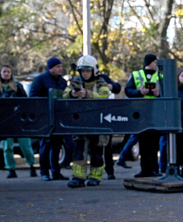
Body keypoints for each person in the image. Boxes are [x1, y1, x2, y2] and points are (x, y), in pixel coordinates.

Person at [62, 55, 111, 188]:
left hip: (99, 122)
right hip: (81, 122)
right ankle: (78, 177)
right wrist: (72, 94)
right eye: (83, 71)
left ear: (93, 70)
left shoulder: (101, 81)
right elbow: (64, 95)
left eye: (88, 71)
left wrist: (87, 95)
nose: (85, 73)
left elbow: (105, 95)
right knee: (79, 150)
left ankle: (95, 177)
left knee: (97, 152)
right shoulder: (76, 82)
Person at [29, 56, 69, 181]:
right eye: (58, 67)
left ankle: (56, 171)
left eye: (61, 66)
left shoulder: (62, 81)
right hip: (44, 118)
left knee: (57, 146)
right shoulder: (40, 80)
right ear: (51, 68)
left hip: (58, 118)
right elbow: (33, 97)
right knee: (45, 146)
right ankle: (44, 172)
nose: (60, 69)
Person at [125, 53, 162, 177]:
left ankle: (154, 169)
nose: (157, 65)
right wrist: (140, 92)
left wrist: (159, 94)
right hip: (141, 114)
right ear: (149, 63)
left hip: (155, 113)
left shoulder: (160, 75)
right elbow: (128, 90)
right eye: (155, 62)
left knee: (154, 143)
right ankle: (145, 170)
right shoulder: (136, 75)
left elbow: (168, 92)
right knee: (143, 143)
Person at [1, 65, 37, 178]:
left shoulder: (18, 86)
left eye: (8, 72)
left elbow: (25, 103)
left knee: (25, 145)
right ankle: (11, 168)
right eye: (4, 72)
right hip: (4, 121)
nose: (6, 74)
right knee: (7, 147)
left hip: (18, 119)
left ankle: (31, 165)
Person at [98, 71, 122, 179]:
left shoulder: (103, 78)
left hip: (105, 114)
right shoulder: (81, 80)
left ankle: (109, 170)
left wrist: (110, 86)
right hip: (91, 115)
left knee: (107, 145)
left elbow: (117, 88)